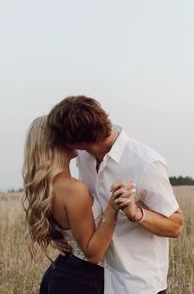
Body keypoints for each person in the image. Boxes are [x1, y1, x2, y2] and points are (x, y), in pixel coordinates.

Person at [48, 95, 183, 294]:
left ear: (77, 142)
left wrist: (137, 213)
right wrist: (60, 235)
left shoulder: (146, 163)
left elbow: (176, 225)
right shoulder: (83, 158)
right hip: (97, 278)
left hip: (137, 284)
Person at [22, 115, 134, 294]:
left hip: (63, 272)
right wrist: (112, 209)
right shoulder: (74, 189)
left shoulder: (48, 187)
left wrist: (60, 238)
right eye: (66, 133)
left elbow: (66, 229)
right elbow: (94, 254)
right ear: (56, 142)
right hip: (82, 281)